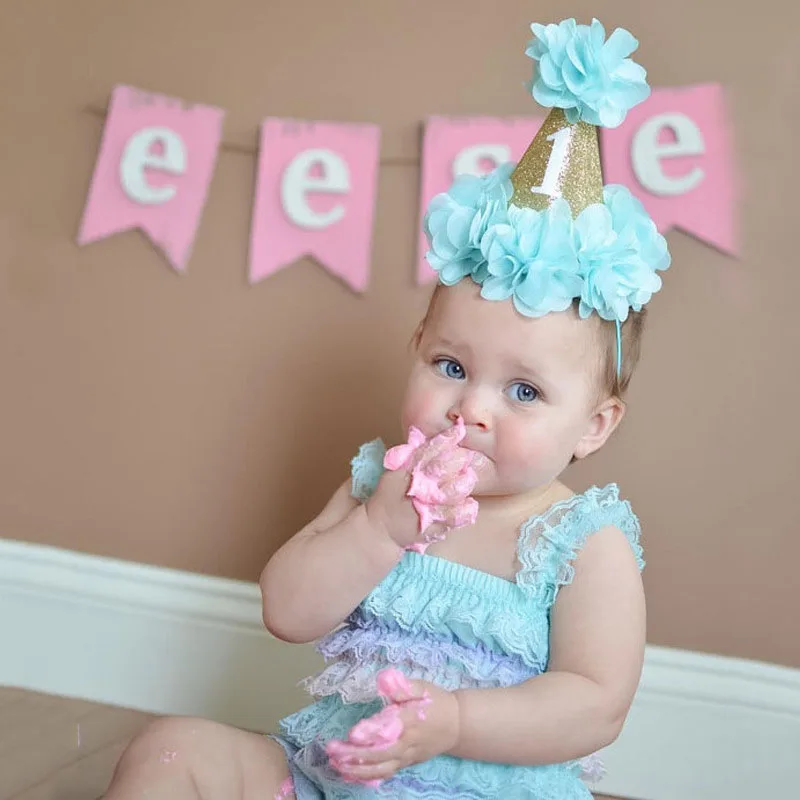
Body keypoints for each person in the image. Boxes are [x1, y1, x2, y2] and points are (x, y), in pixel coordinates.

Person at [105, 16, 669, 800]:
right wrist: (377, 529)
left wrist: (456, 723)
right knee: (173, 748)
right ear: (417, 347)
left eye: (524, 391)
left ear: (594, 426)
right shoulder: (382, 485)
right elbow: (288, 612)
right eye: (451, 367)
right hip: (334, 779)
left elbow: (595, 705)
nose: (471, 410)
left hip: (476, 792)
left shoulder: (580, 543)